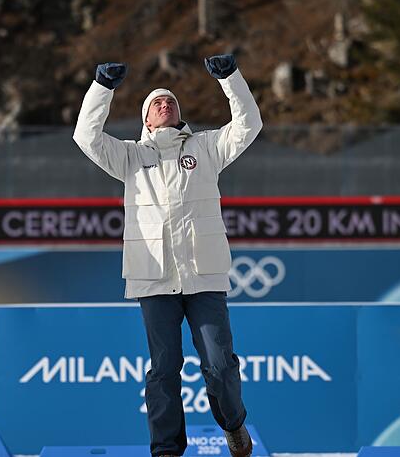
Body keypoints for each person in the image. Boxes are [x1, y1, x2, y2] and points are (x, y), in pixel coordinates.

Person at [73, 54, 261, 457]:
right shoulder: (129, 157)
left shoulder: (207, 146)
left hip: (204, 275)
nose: (164, 104)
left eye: (170, 100)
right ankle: (166, 450)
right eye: (156, 103)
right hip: (154, 278)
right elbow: (86, 137)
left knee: (220, 363)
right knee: (164, 368)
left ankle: (233, 424)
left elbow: (249, 124)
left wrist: (231, 79)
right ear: (146, 121)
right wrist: (102, 88)